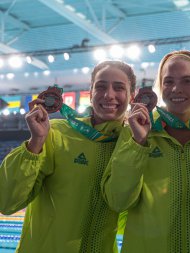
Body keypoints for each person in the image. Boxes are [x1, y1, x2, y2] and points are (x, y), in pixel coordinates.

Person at [0, 60, 136, 253]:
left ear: (133, 96)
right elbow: (7, 202)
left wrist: (137, 144)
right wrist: (35, 143)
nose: (109, 95)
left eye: (119, 88)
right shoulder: (55, 133)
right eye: (101, 86)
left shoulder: (133, 145)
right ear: (91, 92)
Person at [101, 50, 190, 253]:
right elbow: (117, 201)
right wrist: (138, 143)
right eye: (168, 82)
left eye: (187, 81)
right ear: (160, 86)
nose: (176, 89)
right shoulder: (135, 131)